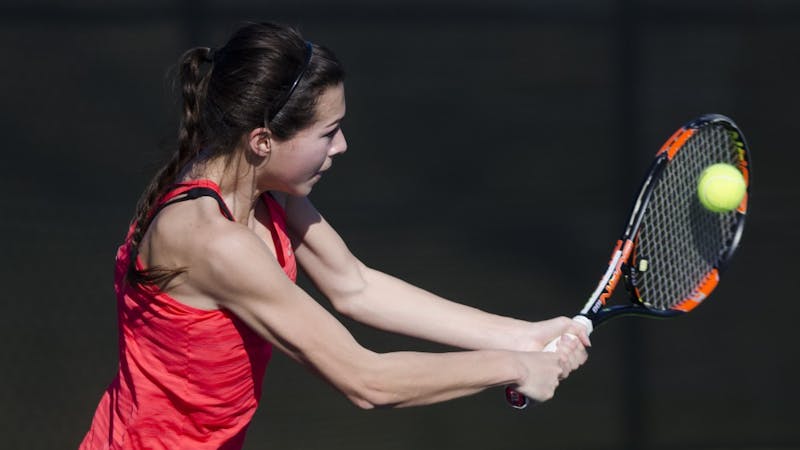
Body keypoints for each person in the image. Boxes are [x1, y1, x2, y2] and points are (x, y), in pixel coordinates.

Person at [79, 21, 590, 450]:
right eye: (327, 133)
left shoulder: (256, 186)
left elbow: (356, 287)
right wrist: (514, 367)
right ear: (262, 140)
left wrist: (522, 336)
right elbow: (367, 381)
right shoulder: (214, 242)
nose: (342, 146)